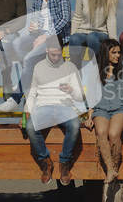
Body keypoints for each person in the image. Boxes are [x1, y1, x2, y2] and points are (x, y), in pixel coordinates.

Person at [0, 0, 71, 112]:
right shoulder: (37, 0)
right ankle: (31, 79)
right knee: (16, 43)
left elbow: (65, 20)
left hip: (56, 38)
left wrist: (45, 36)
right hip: (40, 36)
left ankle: (15, 98)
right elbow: (38, 23)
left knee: (29, 59)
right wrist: (34, 28)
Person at [23, 35, 84, 186]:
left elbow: (81, 96)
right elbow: (31, 94)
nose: (56, 58)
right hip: (43, 106)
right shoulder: (38, 67)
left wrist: (71, 90)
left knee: (75, 126)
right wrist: (26, 113)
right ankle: (45, 161)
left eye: (59, 54)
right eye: (53, 55)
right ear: (46, 50)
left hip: (66, 107)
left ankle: (64, 162)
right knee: (30, 127)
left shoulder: (70, 67)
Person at [84, 39, 123, 183]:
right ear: (105, 53)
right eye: (113, 52)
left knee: (114, 133)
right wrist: (89, 116)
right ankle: (111, 170)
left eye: (118, 52)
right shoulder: (95, 70)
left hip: (120, 109)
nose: (117, 55)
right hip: (100, 109)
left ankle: (114, 166)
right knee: (101, 132)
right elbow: (91, 95)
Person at [69, 0, 118, 72]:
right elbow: (77, 17)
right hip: (83, 32)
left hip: (101, 33)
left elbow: (111, 19)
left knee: (92, 37)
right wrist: (72, 36)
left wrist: (114, 42)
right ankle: (76, 73)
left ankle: (100, 69)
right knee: (74, 38)